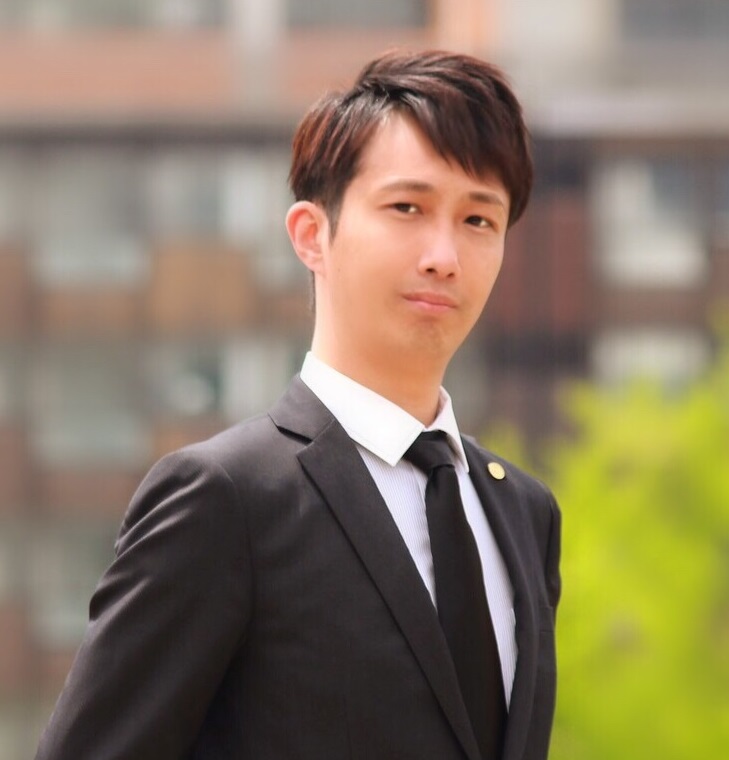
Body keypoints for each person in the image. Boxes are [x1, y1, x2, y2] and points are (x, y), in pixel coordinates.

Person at [36, 49, 561, 760]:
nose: (444, 255)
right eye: (407, 208)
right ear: (313, 235)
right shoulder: (227, 498)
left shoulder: (524, 513)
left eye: (478, 220)